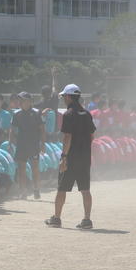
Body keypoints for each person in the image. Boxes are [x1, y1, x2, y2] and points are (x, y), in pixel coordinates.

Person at [45, 84, 95, 229]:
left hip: (71, 157)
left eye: (63, 97)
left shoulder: (68, 114)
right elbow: (92, 135)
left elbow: (67, 137)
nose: (63, 99)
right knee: (85, 189)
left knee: (62, 188)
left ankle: (56, 218)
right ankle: (87, 220)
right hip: (84, 157)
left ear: (68, 97)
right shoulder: (87, 114)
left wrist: (64, 157)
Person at [11, 91, 45, 199]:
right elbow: (12, 129)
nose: (20, 102)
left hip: (33, 145)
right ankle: (23, 192)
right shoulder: (16, 113)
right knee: (21, 169)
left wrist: (43, 144)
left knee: (35, 168)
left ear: (29, 101)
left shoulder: (36, 113)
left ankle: (36, 189)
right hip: (21, 145)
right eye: (19, 99)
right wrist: (10, 142)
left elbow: (42, 129)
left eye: (22, 100)